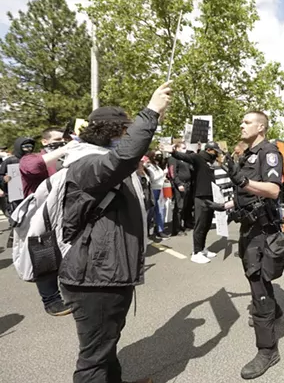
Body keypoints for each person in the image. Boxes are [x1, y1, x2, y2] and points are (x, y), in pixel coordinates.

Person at [60, 81, 172, 383]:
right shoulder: (86, 163)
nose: (127, 138)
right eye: (126, 131)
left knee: (106, 346)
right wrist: (151, 112)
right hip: (95, 279)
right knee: (93, 360)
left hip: (103, 274)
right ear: (113, 133)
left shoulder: (95, 160)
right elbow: (123, 157)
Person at [208, 111, 284, 380]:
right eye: (241, 121)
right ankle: (273, 310)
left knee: (258, 288)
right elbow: (246, 194)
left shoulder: (269, 152)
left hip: (263, 231)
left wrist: (242, 180)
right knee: (255, 277)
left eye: (247, 122)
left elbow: (273, 190)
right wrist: (224, 205)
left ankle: (268, 350)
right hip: (248, 227)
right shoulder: (247, 154)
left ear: (261, 126)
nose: (241, 125)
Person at [19, 127, 79, 317]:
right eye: (57, 139)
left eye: (64, 139)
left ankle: (74, 292)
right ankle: (51, 300)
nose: (62, 142)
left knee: (70, 253)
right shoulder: (30, 158)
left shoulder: (69, 157)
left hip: (67, 213)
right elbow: (32, 168)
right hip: (40, 216)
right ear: (45, 142)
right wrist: (65, 148)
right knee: (44, 256)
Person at [169, 142, 223, 264]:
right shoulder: (198, 157)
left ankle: (202, 248)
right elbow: (185, 157)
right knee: (200, 224)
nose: (216, 154)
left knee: (207, 224)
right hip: (200, 196)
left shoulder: (210, 161)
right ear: (209, 150)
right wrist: (173, 152)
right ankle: (196, 252)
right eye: (215, 151)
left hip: (211, 195)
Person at [168, 141, 194, 234]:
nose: (185, 150)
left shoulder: (184, 158)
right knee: (179, 207)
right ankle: (176, 228)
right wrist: (178, 184)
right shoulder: (173, 158)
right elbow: (172, 173)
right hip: (180, 185)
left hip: (187, 184)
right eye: (183, 148)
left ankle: (182, 225)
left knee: (184, 207)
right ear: (177, 149)